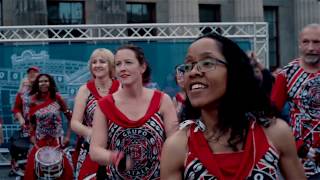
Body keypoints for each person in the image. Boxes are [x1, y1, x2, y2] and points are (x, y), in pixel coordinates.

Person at [160, 32, 306, 179]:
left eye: (207, 63)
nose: (193, 72)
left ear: (234, 71)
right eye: (188, 66)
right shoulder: (177, 147)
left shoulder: (276, 133)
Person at [89, 44, 179, 179]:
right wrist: (116, 157)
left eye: (128, 63)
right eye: (118, 64)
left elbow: (176, 145)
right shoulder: (105, 105)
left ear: (142, 67)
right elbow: (95, 151)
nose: (123, 68)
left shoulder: (162, 100)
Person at [271, 23, 320, 179]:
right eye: (306, 42)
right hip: (300, 159)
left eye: (316, 42)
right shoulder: (287, 74)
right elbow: (270, 116)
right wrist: (297, 145)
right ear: (299, 44)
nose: (311, 48)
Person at [71, 48, 120, 179]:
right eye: (94, 62)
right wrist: (93, 133)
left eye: (102, 61)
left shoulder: (121, 88)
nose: (97, 65)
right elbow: (75, 123)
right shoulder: (85, 90)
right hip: (91, 149)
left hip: (117, 148)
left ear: (110, 65)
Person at [24, 73, 73, 180]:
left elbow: (71, 118)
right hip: (40, 141)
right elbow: (31, 122)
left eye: (46, 81)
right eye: (40, 81)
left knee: (66, 172)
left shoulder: (58, 98)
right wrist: (32, 136)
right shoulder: (32, 101)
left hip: (57, 140)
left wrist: (68, 137)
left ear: (50, 83)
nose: (43, 83)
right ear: (37, 84)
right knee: (30, 171)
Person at [10, 66, 39, 176]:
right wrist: (20, 118)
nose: (32, 74)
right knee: (22, 146)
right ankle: (22, 169)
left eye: (34, 72)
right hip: (27, 127)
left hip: (41, 127)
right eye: (30, 72)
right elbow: (16, 108)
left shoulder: (43, 89)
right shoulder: (22, 92)